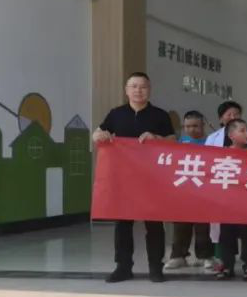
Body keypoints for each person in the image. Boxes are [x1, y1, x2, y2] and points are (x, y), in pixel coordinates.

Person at [92, 72, 174, 283]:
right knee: (123, 224)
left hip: (152, 178)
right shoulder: (116, 114)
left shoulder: (160, 115)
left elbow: (173, 141)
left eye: (143, 86)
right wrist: (100, 135)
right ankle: (123, 267)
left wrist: (156, 138)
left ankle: (156, 267)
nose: (138, 90)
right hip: (123, 177)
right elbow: (97, 133)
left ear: (149, 90)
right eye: (134, 86)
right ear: (126, 90)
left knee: (154, 224)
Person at [206, 99, 247, 275]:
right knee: (225, 232)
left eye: (237, 114)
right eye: (229, 115)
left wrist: (245, 153)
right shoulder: (217, 144)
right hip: (226, 199)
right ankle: (227, 264)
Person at [165, 110, 214, 271]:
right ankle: (178, 256)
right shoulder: (179, 142)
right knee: (181, 225)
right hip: (184, 190)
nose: (191, 129)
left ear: (203, 125)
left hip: (204, 191)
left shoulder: (211, 142)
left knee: (203, 227)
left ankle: (205, 257)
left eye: (195, 126)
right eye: (187, 126)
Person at [216, 119, 247, 281]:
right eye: (242, 130)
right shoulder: (221, 154)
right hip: (227, 203)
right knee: (226, 235)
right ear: (231, 135)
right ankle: (227, 265)